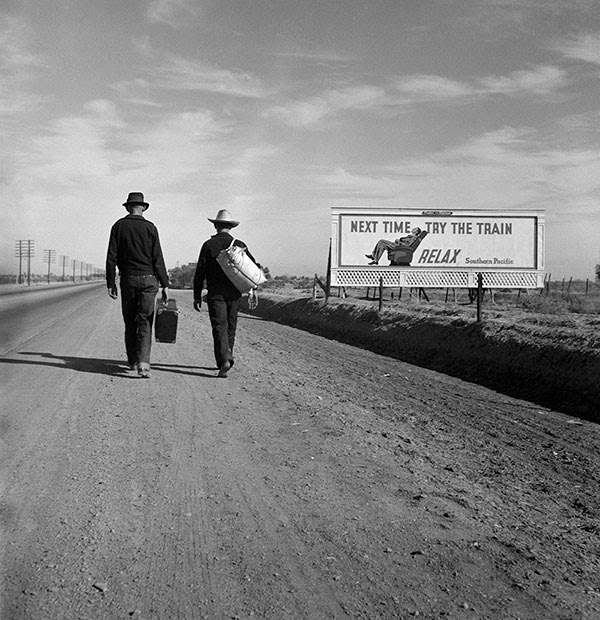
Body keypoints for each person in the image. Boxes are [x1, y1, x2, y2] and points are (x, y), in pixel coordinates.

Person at [106, 192, 169, 378]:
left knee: (130, 321)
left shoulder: (118, 226)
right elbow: (158, 257)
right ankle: (143, 363)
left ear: (128, 207)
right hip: (149, 280)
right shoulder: (150, 227)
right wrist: (165, 283)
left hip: (128, 280)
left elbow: (111, 257)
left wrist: (111, 282)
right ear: (143, 208)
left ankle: (133, 360)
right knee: (145, 321)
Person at [193, 209, 259, 378]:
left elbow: (200, 272)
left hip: (215, 293)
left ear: (215, 226)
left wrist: (197, 295)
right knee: (230, 326)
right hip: (234, 293)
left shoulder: (208, 245)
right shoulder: (239, 244)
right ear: (230, 227)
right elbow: (253, 267)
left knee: (219, 326)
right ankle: (227, 356)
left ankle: (224, 360)